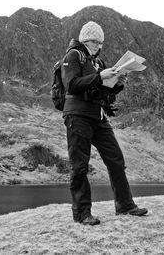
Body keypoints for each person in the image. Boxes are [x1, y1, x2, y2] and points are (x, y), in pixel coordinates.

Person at [61, 21, 148, 226]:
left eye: (101, 43)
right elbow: (71, 85)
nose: (99, 46)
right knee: (80, 166)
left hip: (98, 116)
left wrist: (116, 83)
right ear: (84, 40)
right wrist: (99, 76)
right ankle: (82, 214)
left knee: (115, 159)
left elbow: (101, 93)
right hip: (77, 116)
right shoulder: (73, 56)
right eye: (94, 42)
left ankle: (125, 205)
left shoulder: (98, 62)